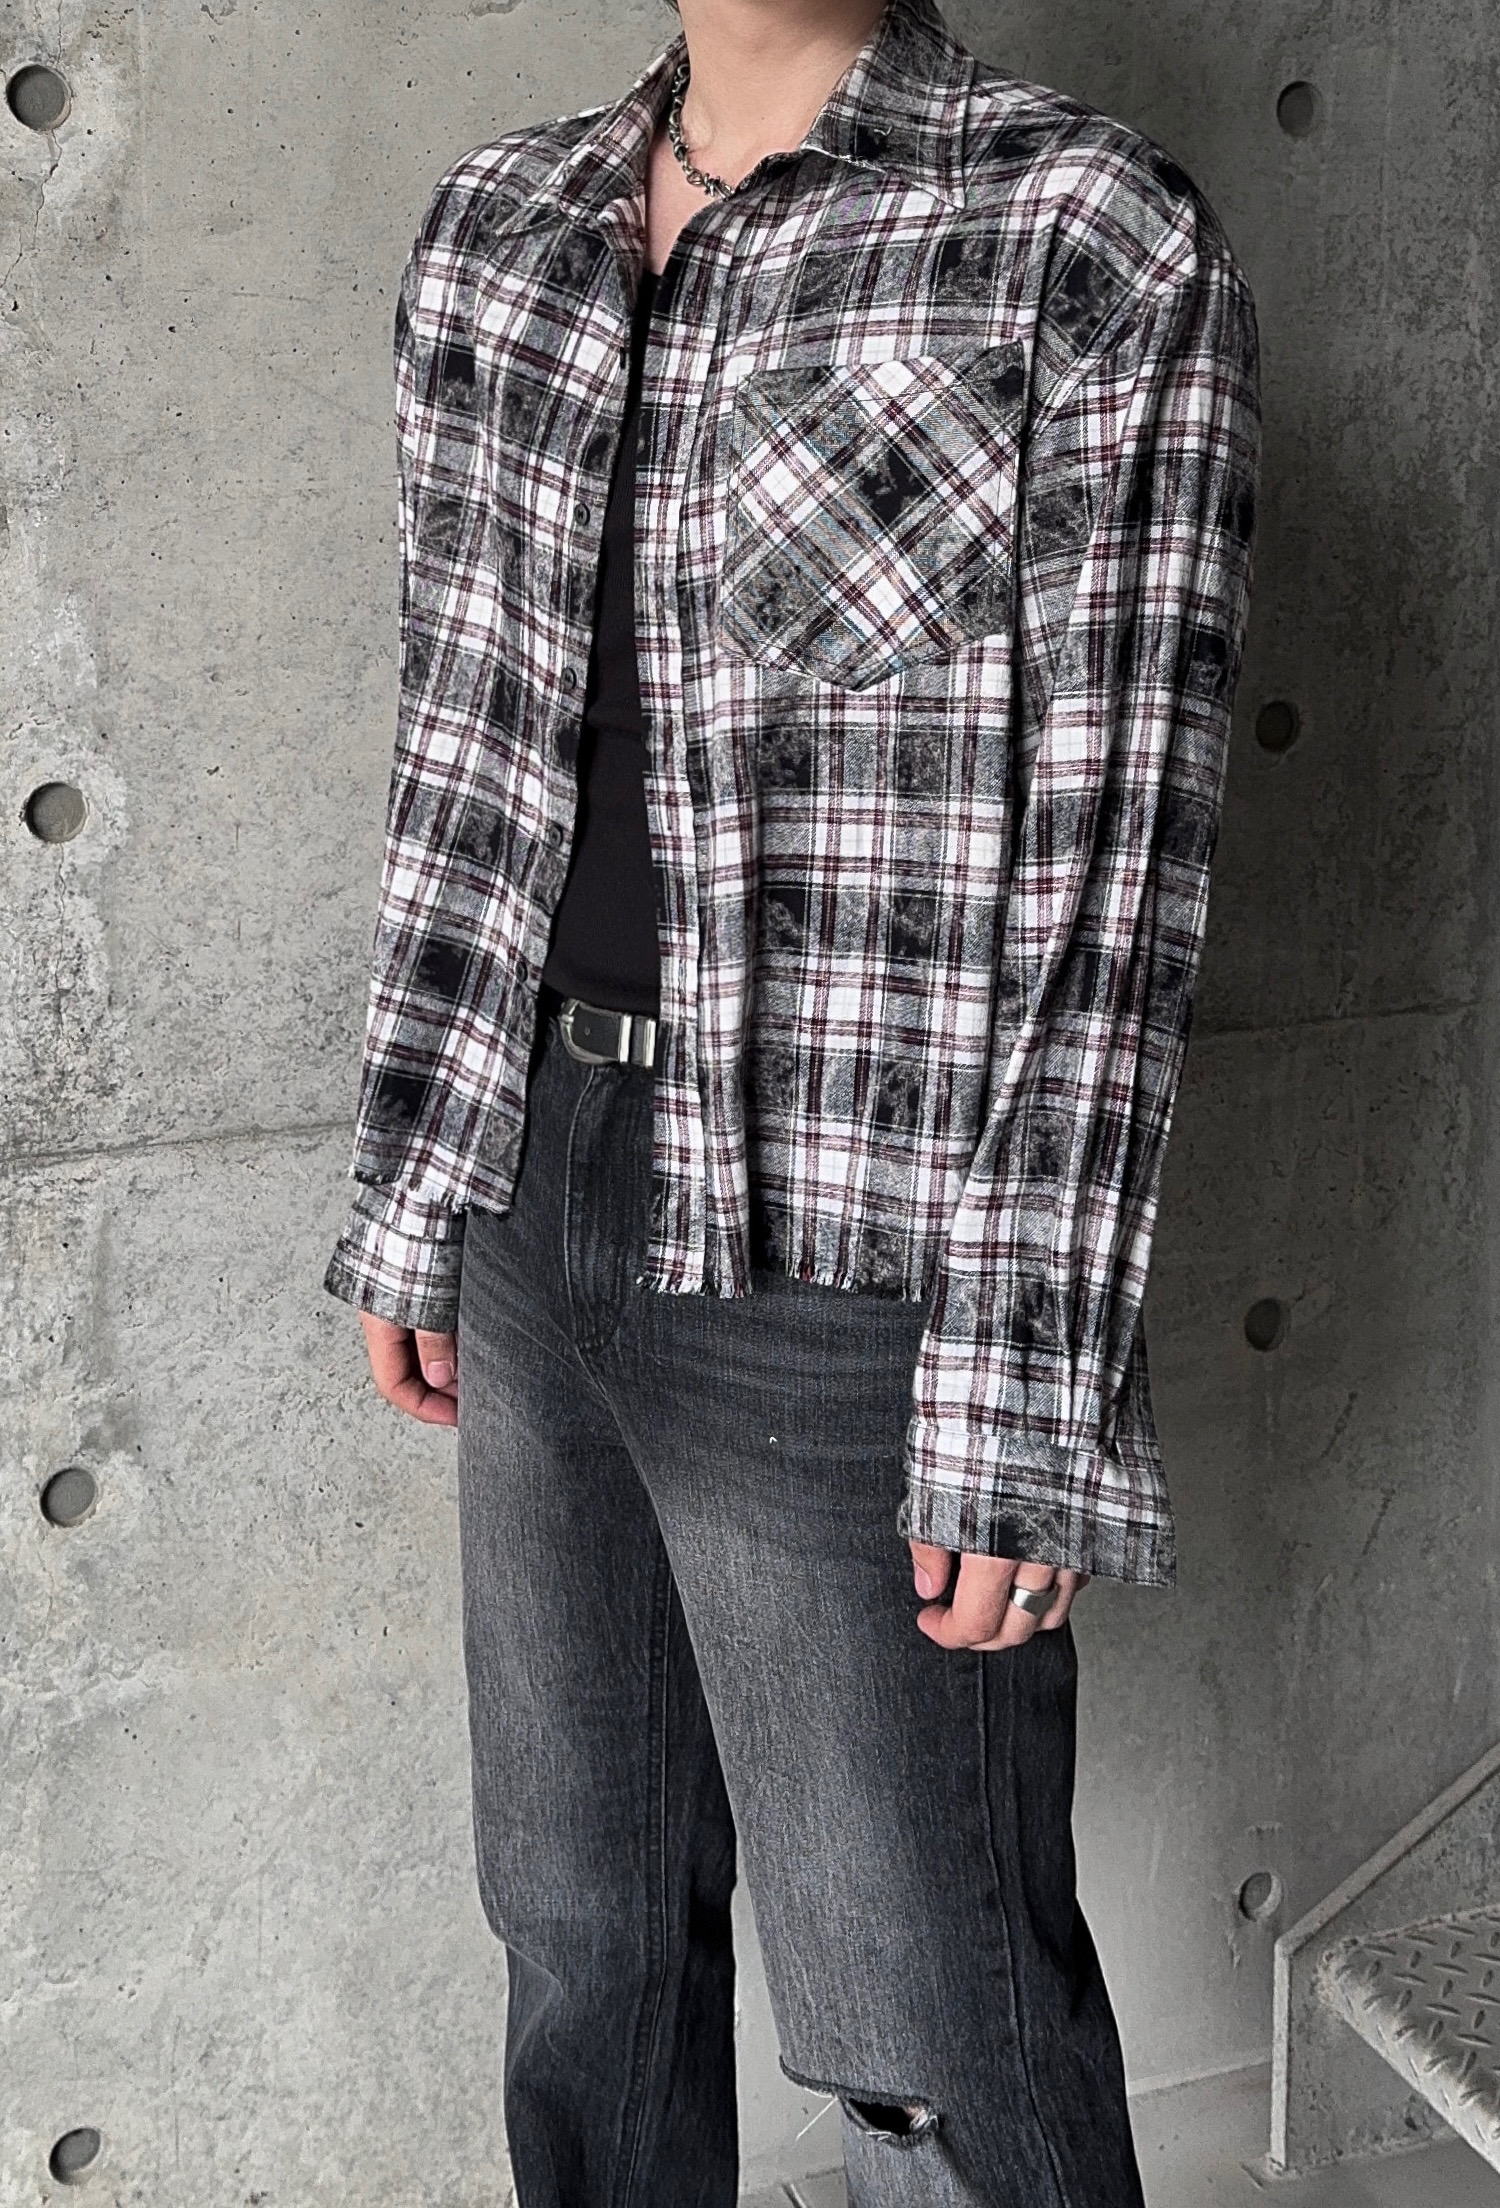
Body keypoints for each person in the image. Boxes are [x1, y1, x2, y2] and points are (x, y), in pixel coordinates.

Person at [324, 0, 1259, 2197]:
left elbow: (1118, 866)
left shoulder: (1079, 230)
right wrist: (421, 1172)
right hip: (534, 1180)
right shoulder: (500, 229)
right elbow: (459, 743)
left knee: (927, 2026)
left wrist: (1027, 1386)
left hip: (854, 1244)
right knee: (580, 1948)